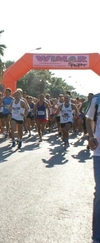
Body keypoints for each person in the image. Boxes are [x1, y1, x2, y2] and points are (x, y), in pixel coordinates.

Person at [84, 93, 100, 243]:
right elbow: (89, 119)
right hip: (99, 153)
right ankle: (97, 237)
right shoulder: (97, 99)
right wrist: (90, 136)